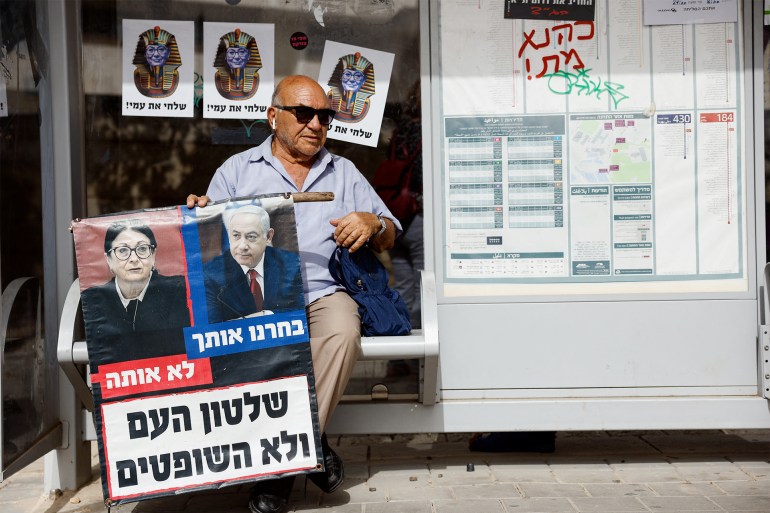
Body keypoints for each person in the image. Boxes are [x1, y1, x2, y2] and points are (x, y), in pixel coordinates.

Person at [186, 75, 400, 513]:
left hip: (324, 291)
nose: (316, 124)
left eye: (325, 115)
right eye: (304, 113)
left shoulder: (343, 171)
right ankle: (309, 449)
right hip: (256, 296)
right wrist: (197, 215)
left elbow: (390, 233)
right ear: (273, 117)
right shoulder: (237, 170)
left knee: (343, 332)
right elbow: (208, 243)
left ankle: (278, 471)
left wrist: (372, 222)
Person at [80, 221, 190, 361]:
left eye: (142, 249)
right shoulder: (91, 300)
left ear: (153, 254)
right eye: (122, 251)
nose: (133, 259)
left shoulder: (181, 290)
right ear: (108, 259)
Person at [203, 204, 303, 323]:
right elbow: (212, 327)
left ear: (268, 236)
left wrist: (266, 315)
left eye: (251, 237)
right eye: (236, 236)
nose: (242, 246)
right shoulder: (210, 274)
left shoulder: (291, 264)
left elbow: (300, 313)